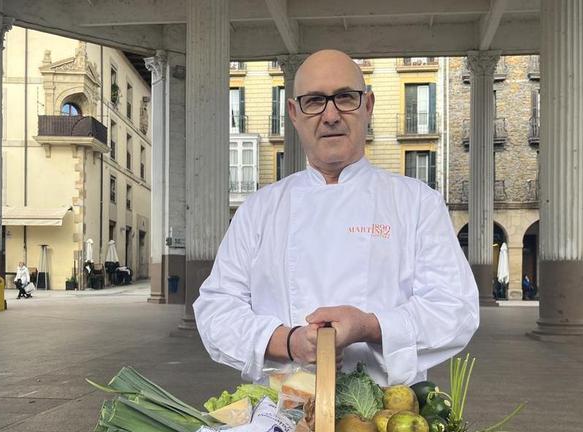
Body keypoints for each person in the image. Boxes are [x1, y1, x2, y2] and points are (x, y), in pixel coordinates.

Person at [194, 50, 479, 386]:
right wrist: (288, 341)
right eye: (314, 101)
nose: (331, 115)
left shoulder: (417, 203)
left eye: (345, 97)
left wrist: (370, 326)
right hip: (282, 417)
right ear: (294, 113)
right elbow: (216, 309)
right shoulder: (259, 210)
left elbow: (455, 310)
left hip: (387, 421)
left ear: (368, 105)